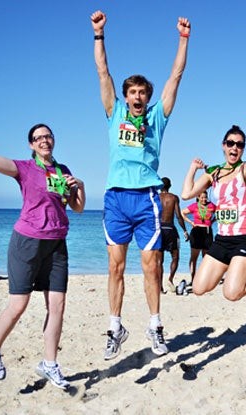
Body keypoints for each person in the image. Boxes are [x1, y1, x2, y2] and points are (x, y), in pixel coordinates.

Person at [0, 104, 85, 389]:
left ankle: (50, 364)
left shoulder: (63, 170)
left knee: (58, 306)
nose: (44, 140)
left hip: (57, 244)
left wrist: (78, 184)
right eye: (38, 138)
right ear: (31, 144)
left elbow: (78, 208)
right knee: (19, 305)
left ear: (53, 140)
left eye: (48, 136)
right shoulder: (25, 168)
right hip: (27, 242)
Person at [90, 10, 191, 360]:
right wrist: (99, 34)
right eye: (132, 92)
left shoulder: (157, 118)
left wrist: (183, 39)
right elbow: (103, 72)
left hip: (147, 199)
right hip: (116, 198)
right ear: (126, 96)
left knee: (152, 266)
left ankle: (155, 325)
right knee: (115, 267)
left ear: (147, 97)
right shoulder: (114, 112)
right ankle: (115, 328)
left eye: (142, 92)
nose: (137, 96)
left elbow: (175, 76)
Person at [181, 125, 246, 301]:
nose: (234, 147)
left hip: (244, 238)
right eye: (230, 143)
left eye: (240, 144)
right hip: (222, 240)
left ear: (243, 148)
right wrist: (193, 168)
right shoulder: (214, 173)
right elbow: (186, 194)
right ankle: (238, 269)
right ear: (223, 145)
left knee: (231, 294)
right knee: (198, 288)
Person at [158, 177, 188, 293]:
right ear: (170, 186)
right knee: (175, 257)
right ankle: (170, 278)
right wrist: (185, 230)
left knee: (159, 261)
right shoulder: (174, 198)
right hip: (170, 229)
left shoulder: (156, 197)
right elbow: (178, 216)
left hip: (159, 229)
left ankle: (160, 287)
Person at [181, 190, 216, 285]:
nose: (204, 199)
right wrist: (191, 222)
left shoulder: (211, 205)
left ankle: (204, 279)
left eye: (205, 197)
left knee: (206, 258)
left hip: (207, 232)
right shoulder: (194, 206)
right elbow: (182, 212)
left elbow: (219, 212)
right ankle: (193, 279)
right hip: (196, 231)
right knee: (194, 257)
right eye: (202, 198)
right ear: (198, 197)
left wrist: (212, 221)